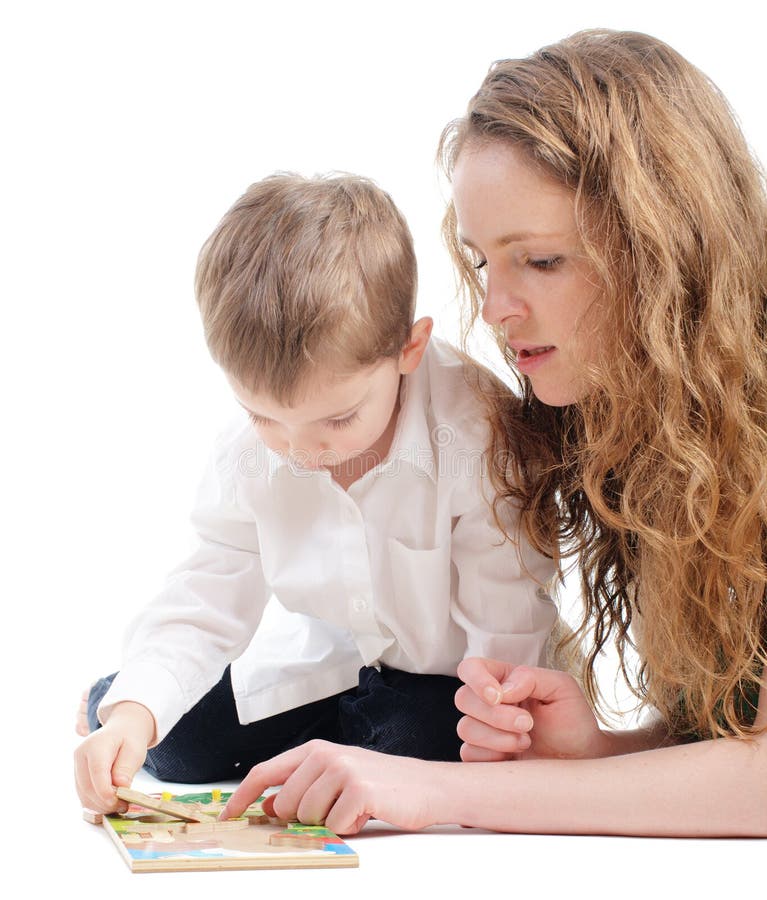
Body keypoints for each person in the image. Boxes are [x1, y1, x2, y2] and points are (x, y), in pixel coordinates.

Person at [221, 30, 767, 837]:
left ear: (665, 250)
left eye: (541, 261)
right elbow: (735, 748)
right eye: (482, 263)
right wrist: (600, 755)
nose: (496, 308)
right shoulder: (640, 442)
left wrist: (432, 789)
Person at [74, 172, 557, 814]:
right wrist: (134, 714)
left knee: (414, 741)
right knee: (177, 745)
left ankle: (327, 756)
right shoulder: (253, 453)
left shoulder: (476, 437)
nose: (300, 449)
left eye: (336, 420)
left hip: (445, 686)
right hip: (331, 666)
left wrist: (498, 724)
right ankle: (116, 701)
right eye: (264, 417)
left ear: (408, 349)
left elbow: (508, 615)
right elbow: (210, 590)